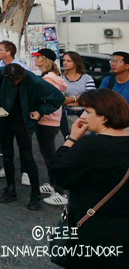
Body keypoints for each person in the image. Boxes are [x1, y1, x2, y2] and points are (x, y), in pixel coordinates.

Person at [49, 89, 129, 269]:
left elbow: (59, 172)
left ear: (105, 117)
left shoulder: (91, 146)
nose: (83, 116)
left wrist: (71, 138)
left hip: (92, 227)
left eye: (88, 111)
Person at [0, 62, 65, 210]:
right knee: (7, 155)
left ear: (22, 76)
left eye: (17, 80)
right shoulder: (0, 74)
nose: (15, 83)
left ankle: (35, 194)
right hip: (5, 120)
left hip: (23, 122)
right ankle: (10, 188)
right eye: (12, 81)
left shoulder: (34, 80)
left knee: (27, 157)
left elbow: (58, 97)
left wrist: (41, 111)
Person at [32, 49, 68, 206]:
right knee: (48, 154)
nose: (35, 60)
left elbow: (48, 100)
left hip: (47, 120)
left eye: (38, 57)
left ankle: (60, 192)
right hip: (50, 121)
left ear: (44, 59)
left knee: (50, 156)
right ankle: (53, 184)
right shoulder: (52, 76)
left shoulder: (48, 78)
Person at [0, 41, 27, 164]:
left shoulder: (21, 67)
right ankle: (6, 169)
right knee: (5, 144)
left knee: (24, 147)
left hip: (19, 113)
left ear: (9, 52)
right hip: (1, 112)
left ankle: (25, 172)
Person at [61, 51, 95, 129]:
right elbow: (61, 99)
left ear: (76, 63)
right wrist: (78, 97)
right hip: (67, 114)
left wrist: (72, 103)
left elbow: (91, 98)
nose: (65, 63)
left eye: (68, 61)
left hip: (85, 112)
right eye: (64, 60)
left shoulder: (87, 78)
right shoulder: (61, 79)